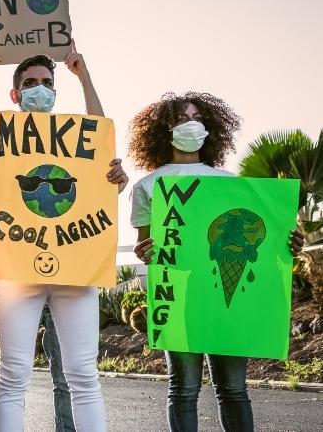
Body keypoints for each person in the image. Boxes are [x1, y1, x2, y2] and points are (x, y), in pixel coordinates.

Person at [0, 41, 128, 431]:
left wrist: (84, 75)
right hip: (16, 268)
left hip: (75, 266)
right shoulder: (0, 143)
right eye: (30, 82)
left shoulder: (78, 138)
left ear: (55, 92)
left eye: (45, 82)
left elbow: (102, 133)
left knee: (83, 375)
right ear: (16, 93)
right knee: (14, 375)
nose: (39, 88)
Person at [127, 92, 306, 431]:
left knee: (234, 390)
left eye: (197, 118)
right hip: (179, 298)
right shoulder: (148, 186)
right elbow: (145, 247)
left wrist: (290, 244)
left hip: (230, 304)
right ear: (164, 128)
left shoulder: (231, 184)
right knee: (183, 390)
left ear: (208, 127)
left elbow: (264, 237)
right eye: (182, 119)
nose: (191, 124)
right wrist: (145, 251)